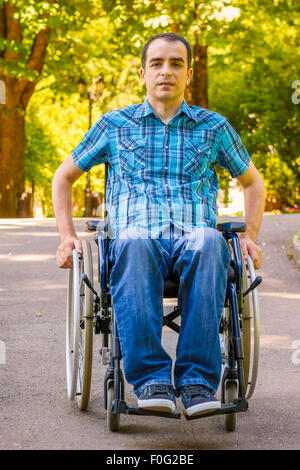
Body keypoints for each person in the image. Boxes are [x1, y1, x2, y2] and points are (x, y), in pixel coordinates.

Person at [52, 33, 265, 417]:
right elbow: (63, 177)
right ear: (143, 73)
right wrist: (67, 237)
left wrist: (250, 236)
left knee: (210, 240)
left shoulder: (213, 127)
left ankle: (198, 383)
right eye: (157, 63)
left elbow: (252, 181)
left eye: (176, 63)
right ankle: (151, 379)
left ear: (188, 74)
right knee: (133, 239)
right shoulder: (114, 125)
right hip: (136, 242)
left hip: (194, 242)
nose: (166, 71)